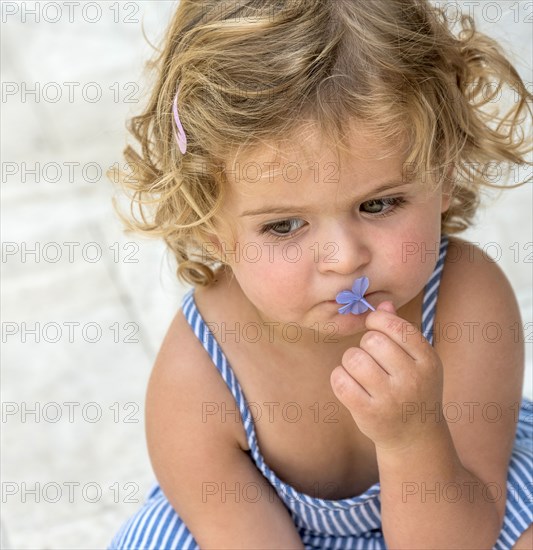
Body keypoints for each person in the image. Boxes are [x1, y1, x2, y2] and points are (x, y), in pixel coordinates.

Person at [108, 1, 532, 548]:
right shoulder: (200, 375)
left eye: (379, 206)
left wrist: (413, 437)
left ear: (443, 176)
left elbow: (460, 539)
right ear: (214, 232)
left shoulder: (463, 301)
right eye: (284, 225)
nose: (343, 258)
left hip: (455, 511)